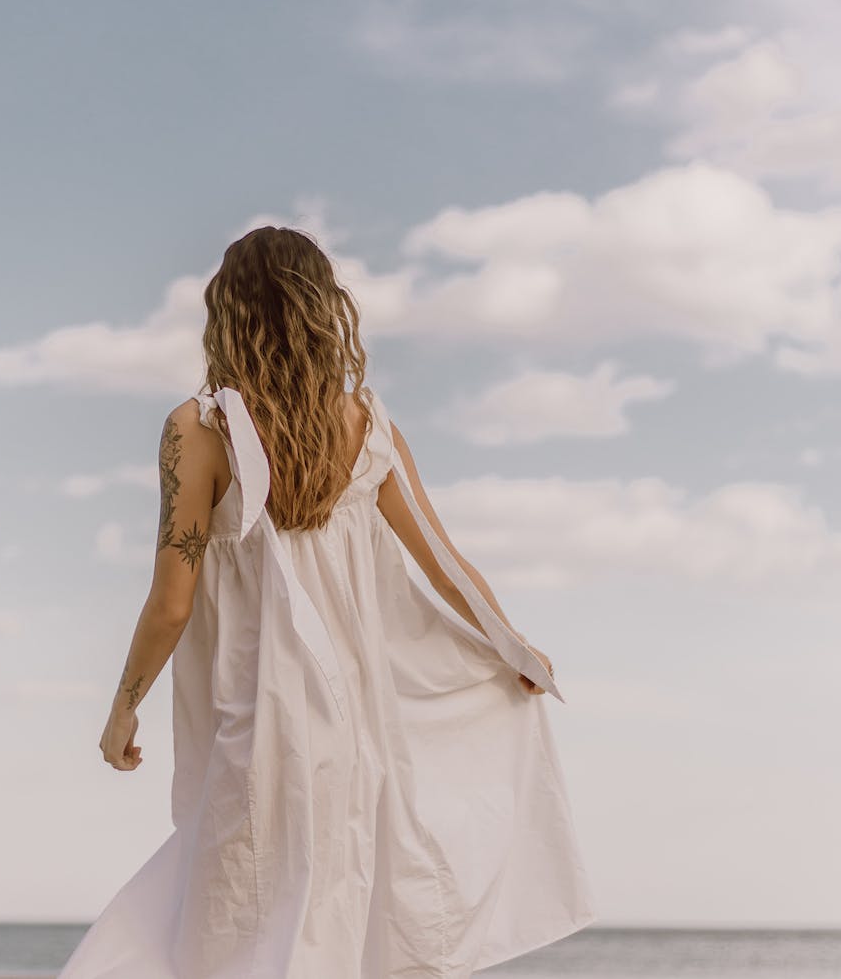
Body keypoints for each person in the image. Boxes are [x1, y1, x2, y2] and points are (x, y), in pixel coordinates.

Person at [58, 225, 596, 979]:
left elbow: (171, 602)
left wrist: (123, 709)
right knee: (336, 933)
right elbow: (445, 568)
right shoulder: (367, 425)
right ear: (321, 311)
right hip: (360, 732)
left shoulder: (199, 429)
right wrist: (511, 646)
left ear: (228, 313)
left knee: (237, 931)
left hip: (262, 726)